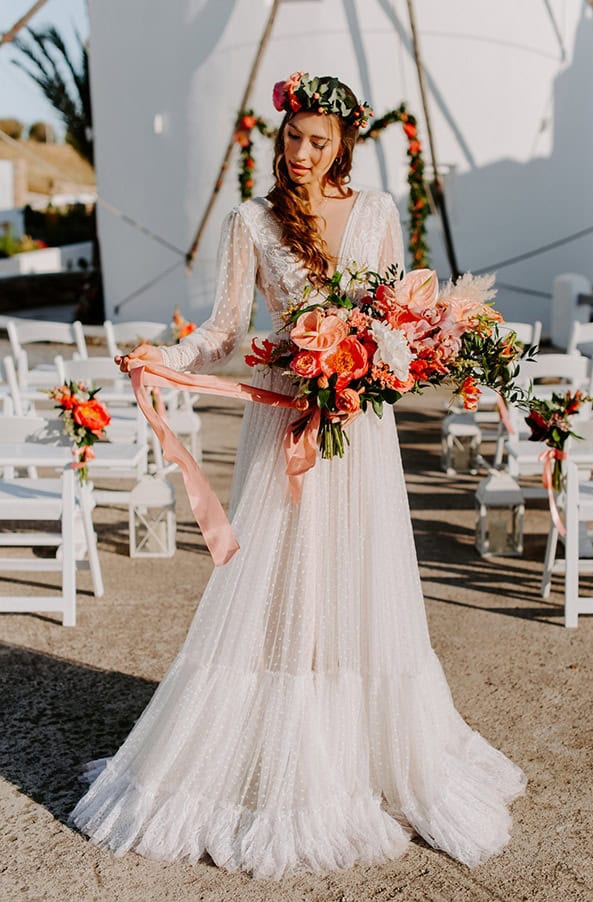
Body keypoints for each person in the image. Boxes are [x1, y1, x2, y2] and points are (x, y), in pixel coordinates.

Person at [70, 73, 525, 880]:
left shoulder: (379, 212)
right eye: (293, 138)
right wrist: (164, 357)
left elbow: (398, 320)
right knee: (280, 585)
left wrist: (386, 364)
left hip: (359, 429)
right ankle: (280, 748)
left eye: (319, 140)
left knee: (357, 579)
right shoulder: (252, 220)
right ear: (280, 137)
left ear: (345, 141)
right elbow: (222, 330)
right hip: (283, 418)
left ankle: (361, 750)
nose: (303, 153)